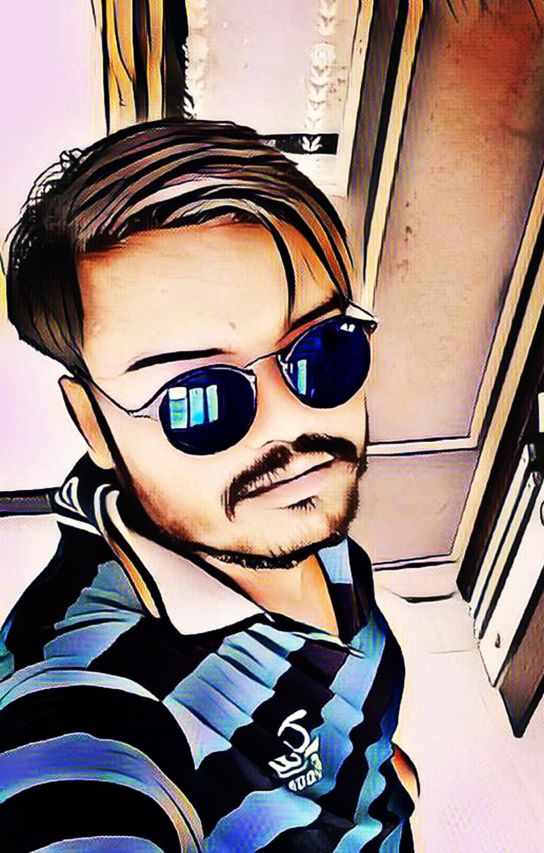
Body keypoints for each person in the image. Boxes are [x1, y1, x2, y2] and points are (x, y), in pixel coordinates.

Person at [0, 119, 417, 851]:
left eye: (323, 350)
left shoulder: (286, 524)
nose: (291, 429)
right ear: (93, 422)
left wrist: (379, 772)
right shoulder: (89, 698)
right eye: (199, 396)